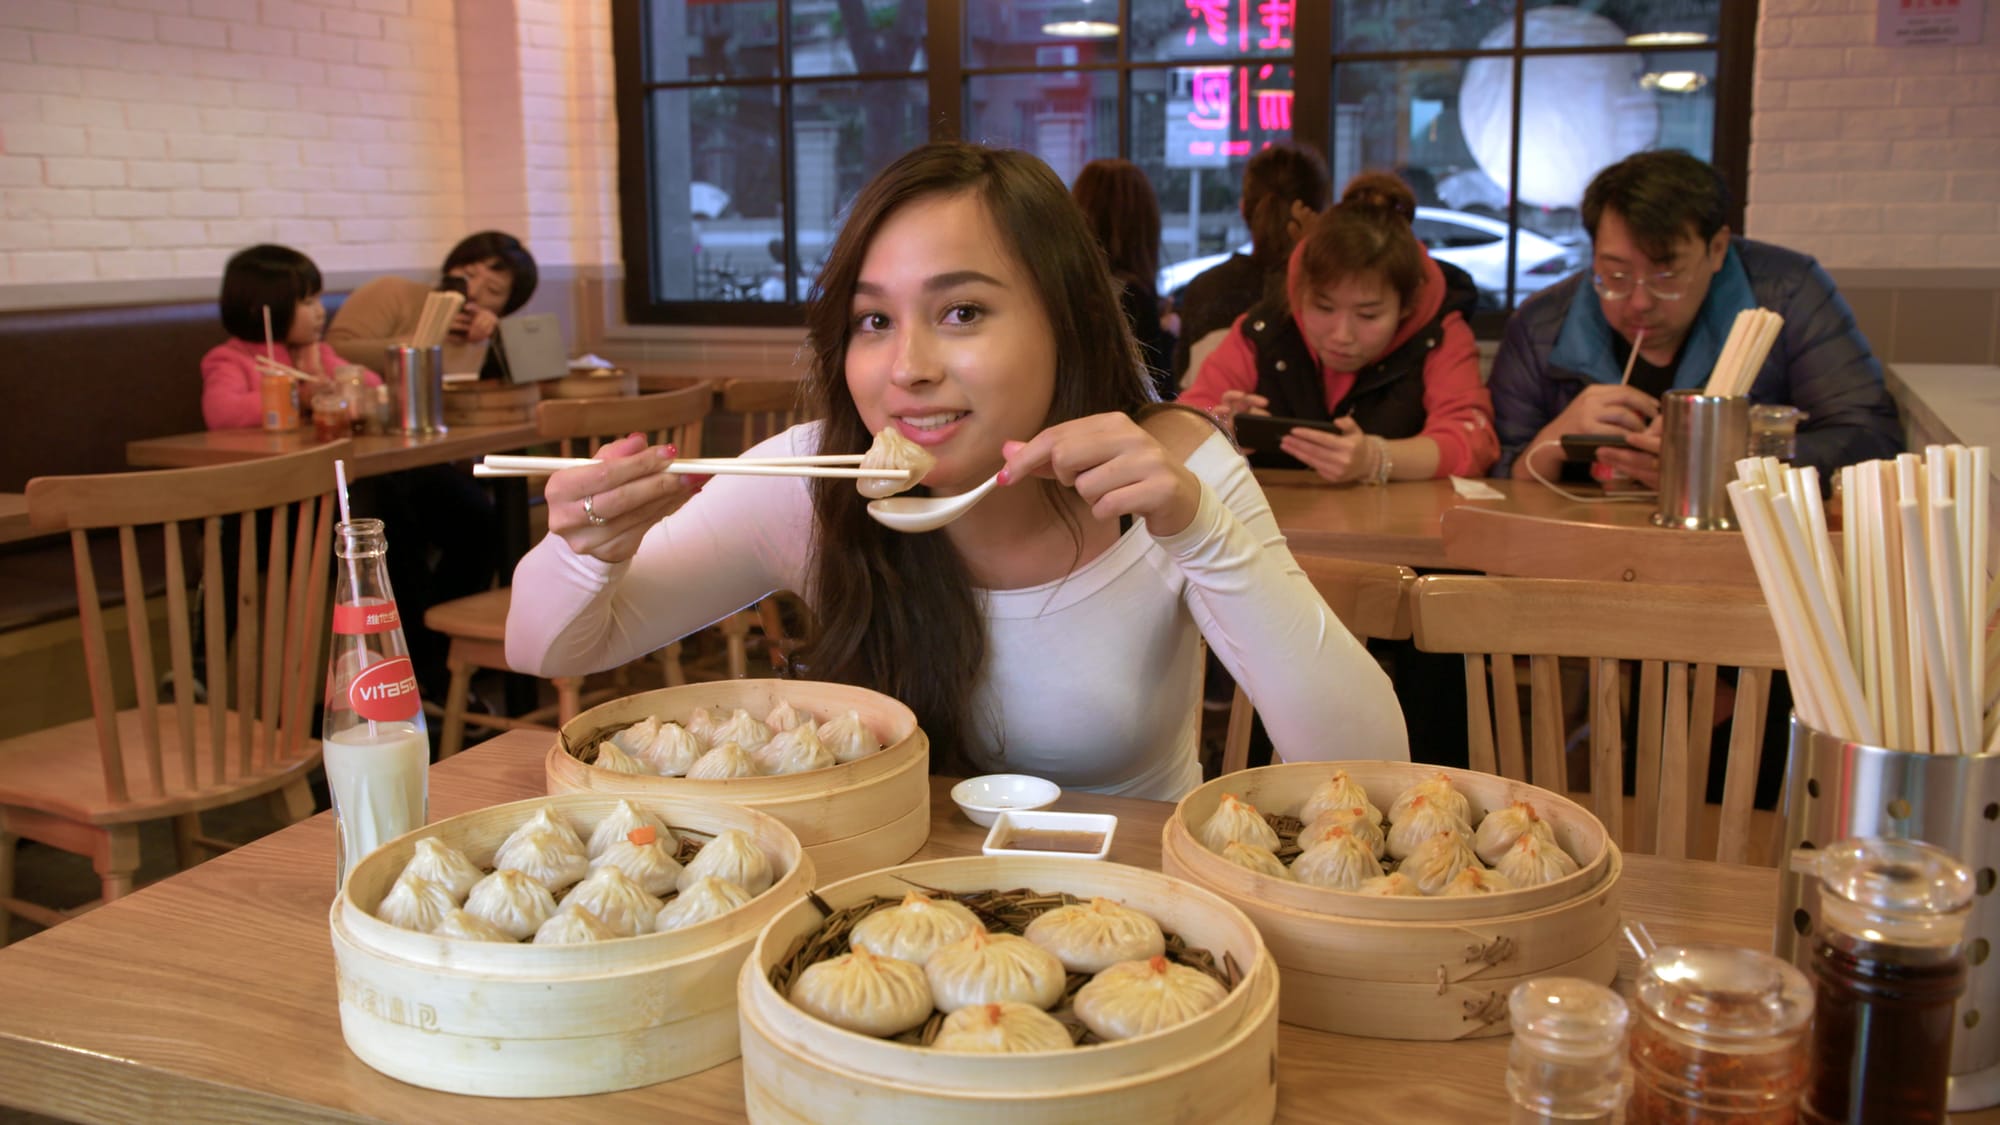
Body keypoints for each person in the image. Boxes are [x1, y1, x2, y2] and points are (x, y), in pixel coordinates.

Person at [504, 141, 1408, 799]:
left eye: (963, 311)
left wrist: (1201, 533)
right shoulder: (817, 478)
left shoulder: (1170, 467)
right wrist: (586, 550)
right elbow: (547, 648)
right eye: (873, 321)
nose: (907, 368)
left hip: (1133, 913)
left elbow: (1369, 763)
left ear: (1066, 318)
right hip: (881, 916)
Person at [1491, 149, 1901, 485]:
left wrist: (1728, 461)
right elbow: (1493, 471)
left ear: (1718, 249)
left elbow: (1870, 439)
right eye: (1615, 275)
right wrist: (1549, 442)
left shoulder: (1787, 296)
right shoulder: (1542, 325)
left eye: (1666, 275)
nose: (1638, 302)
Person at [1181, 172, 1499, 482]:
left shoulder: (1439, 332)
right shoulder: (1266, 327)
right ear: (1300, 292)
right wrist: (1220, 429)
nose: (1342, 335)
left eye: (1368, 315)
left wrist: (1377, 458)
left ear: (1406, 306)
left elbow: (1473, 440)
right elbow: (1182, 421)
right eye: (1324, 308)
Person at [1171, 143, 1332, 387]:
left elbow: (1184, 394)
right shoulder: (1326, 293)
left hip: (1213, 422)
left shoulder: (1206, 289)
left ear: (1243, 208)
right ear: (1322, 213)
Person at [201, 244, 380, 430]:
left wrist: (330, 379)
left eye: (320, 300)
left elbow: (373, 384)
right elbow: (221, 413)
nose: (321, 312)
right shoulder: (230, 359)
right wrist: (297, 398)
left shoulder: (314, 353)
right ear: (267, 307)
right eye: (309, 302)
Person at [327, 230, 540, 379]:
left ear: (506, 306)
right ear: (450, 268)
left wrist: (494, 341)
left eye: (493, 290)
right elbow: (333, 351)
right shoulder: (393, 291)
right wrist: (421, 342)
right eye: (468, 275)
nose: (473, 292)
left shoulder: (486, 335)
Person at [1071, 158, 1176, 401]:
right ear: (1143, 225)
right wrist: (1169, 338)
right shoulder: (1134, 297)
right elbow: (1157, 395)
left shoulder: (1068, 287)